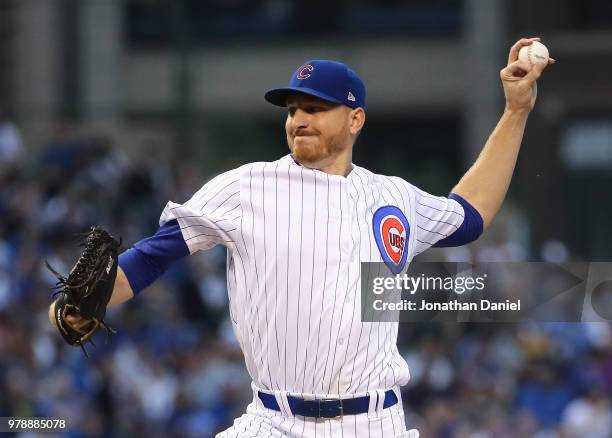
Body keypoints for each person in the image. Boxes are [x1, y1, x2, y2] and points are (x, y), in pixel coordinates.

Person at [49, 37, 554, 437]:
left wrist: (516, 112)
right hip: (272, 421)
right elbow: (154, 255)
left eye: (315, 108)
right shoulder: (246, 186)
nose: (299, 119)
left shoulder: (392, 197)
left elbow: (469, 216)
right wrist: (83, 303)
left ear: (355, 119)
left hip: (372, 423)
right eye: (293, 109)